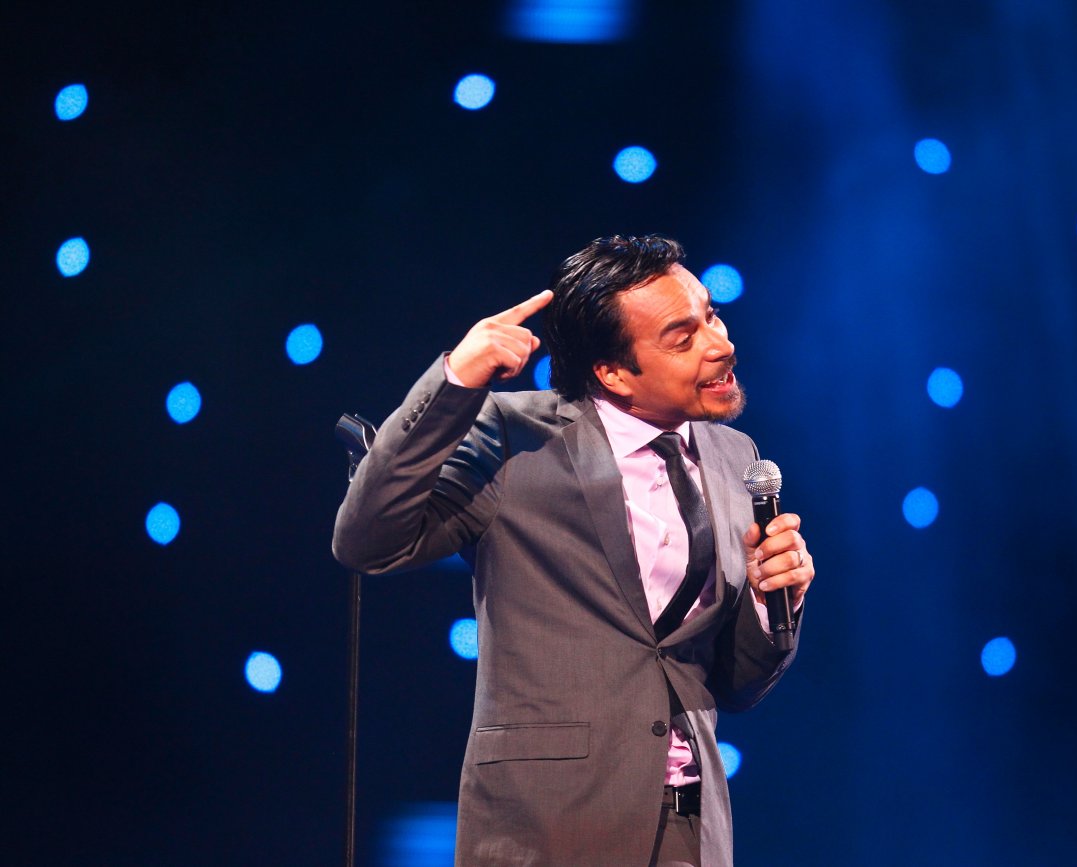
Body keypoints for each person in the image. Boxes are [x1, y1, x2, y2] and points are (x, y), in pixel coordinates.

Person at [333, 235, 815, 866]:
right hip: (550, 824)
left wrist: (771, 601)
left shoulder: (734, 455)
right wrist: (454, 382)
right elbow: (368, 540)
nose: (720, 344)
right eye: (682, 337)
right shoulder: (513, 436)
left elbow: (735, 683)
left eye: (711, 317)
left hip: (690, 828)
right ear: (614, 373)